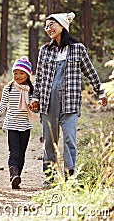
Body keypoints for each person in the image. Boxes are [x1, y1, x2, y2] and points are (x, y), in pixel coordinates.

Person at [29, 12, 108, 187]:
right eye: (46, 26)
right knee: (50, 141)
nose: (48, 28)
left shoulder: (78, 49)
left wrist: (100, 92)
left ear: (63, 26)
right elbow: (40, 78)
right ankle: (50, 176)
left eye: (52, 25)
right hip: (49, 103)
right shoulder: (45, 51)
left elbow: (90, 72)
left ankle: (70, 176)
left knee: (69, 139)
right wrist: (35, 98)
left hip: (70, 102)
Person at [0, 57, 39, 189]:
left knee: (22, 153)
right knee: (14, 152)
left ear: (28, 74)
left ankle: (17, 178)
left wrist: (35, 108)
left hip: (25, 126)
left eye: (21, 73)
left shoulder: (31, 90)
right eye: (15, 73)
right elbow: (2, 106)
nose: (18, 76)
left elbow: (36, 107)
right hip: (12, 125)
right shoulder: (9, 88)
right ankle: (13, 175)